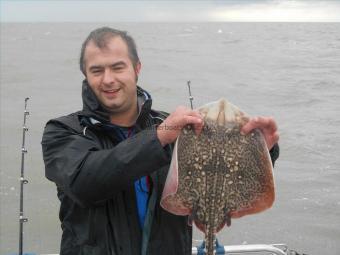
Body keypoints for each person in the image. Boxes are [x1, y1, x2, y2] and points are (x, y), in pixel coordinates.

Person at [41, 27, 280, 255]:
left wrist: (261, 151)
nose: (108, 79)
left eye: (118, 67)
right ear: (85, 74)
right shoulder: (63, 131)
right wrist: (159, 137)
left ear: (137, 68)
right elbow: (86, 183)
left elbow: (219, 178)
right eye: (97, 70)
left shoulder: (176, 129)